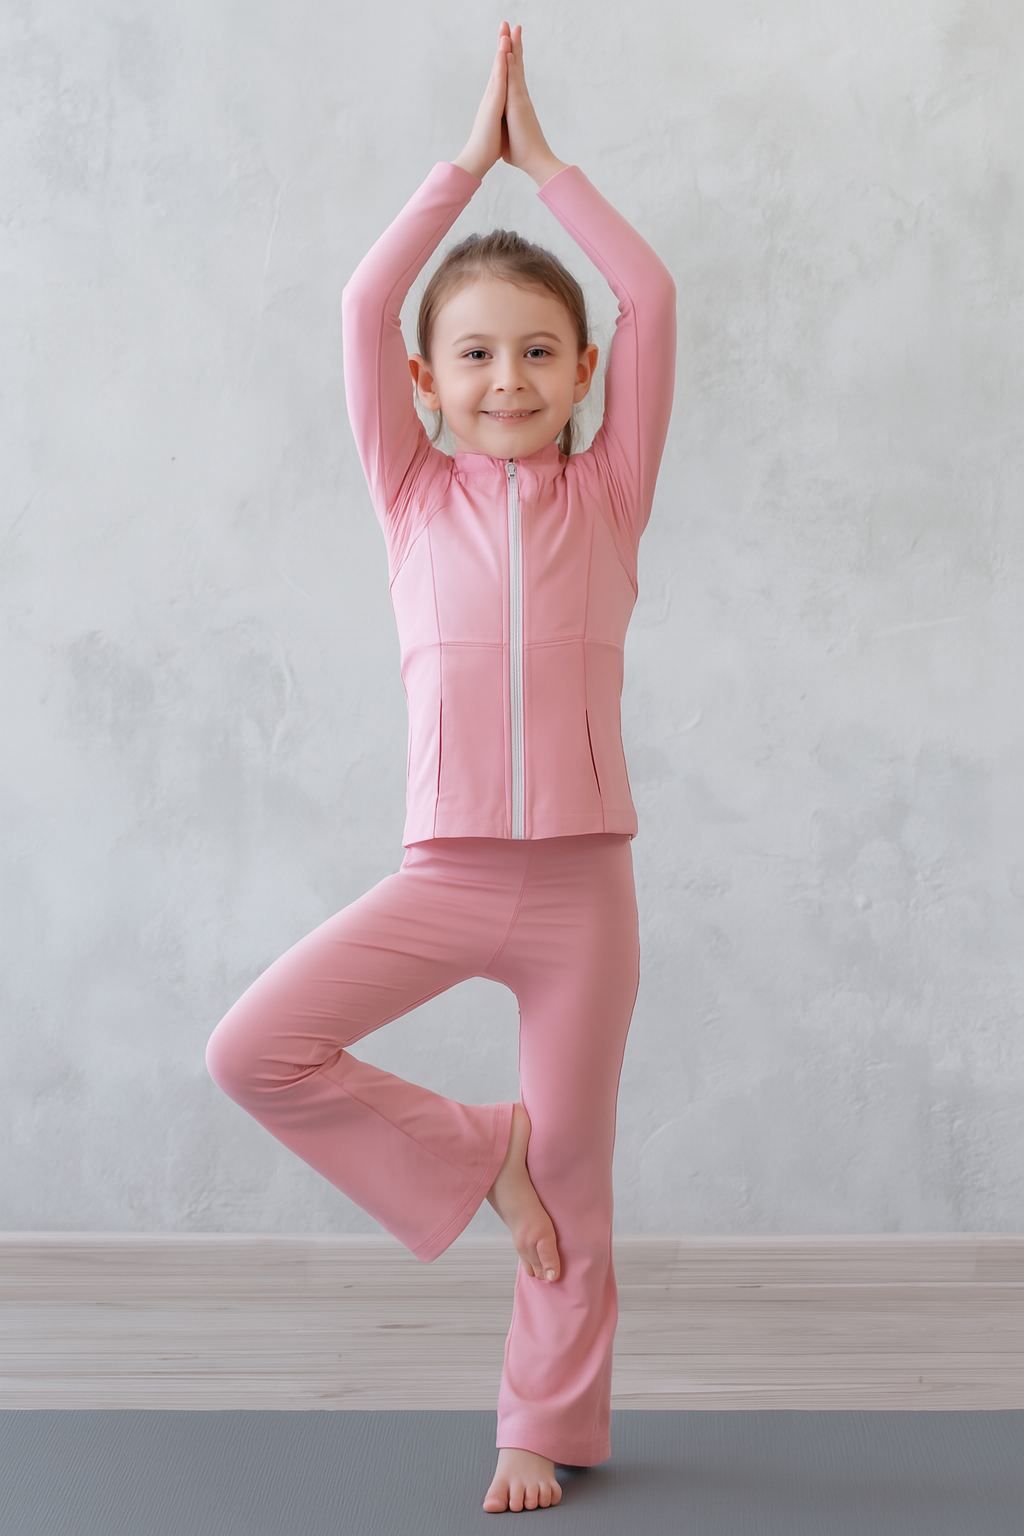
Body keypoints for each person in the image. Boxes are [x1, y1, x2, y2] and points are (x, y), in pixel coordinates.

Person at [205, 21, 675, 1514]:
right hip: (450, 874)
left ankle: (538, 1425)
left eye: (540, 350)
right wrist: (466, 163)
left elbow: (653, 291)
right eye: (475, 353)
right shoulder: (410, 499)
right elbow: (360, 297)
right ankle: (478, 1151)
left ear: (584, 369)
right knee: (256, 1050)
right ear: (425, 380)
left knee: (581, 1177)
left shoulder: (611, 493)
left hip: (583, 891)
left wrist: (556, 174)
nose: (509, 375)